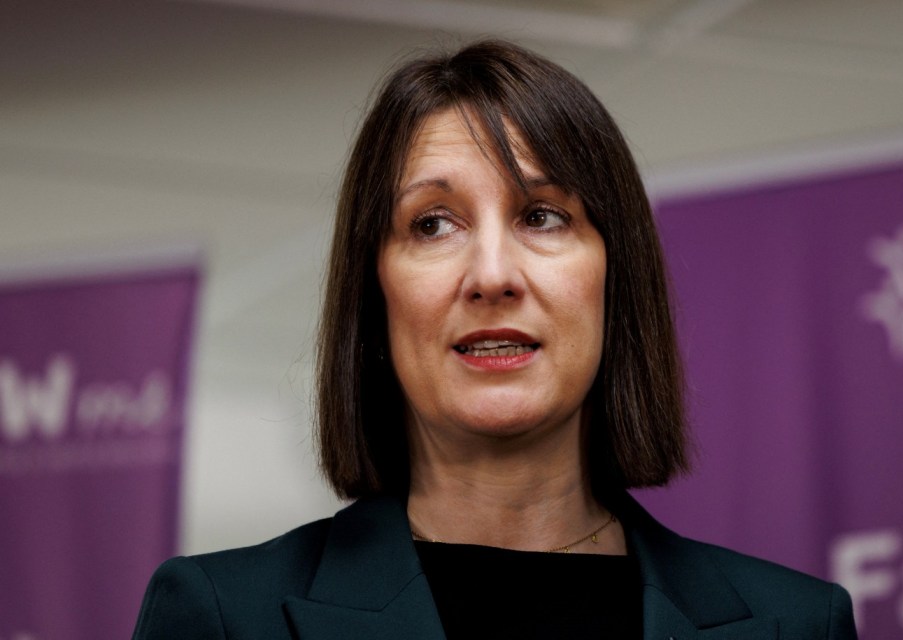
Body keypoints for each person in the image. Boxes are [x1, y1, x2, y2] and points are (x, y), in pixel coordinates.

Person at [132, 39, 857, 639]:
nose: (490, 274)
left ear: (614, 276)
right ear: (374, 291)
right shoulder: (223, 617)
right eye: (432, 223)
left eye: (542, 216)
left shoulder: (797, 623)